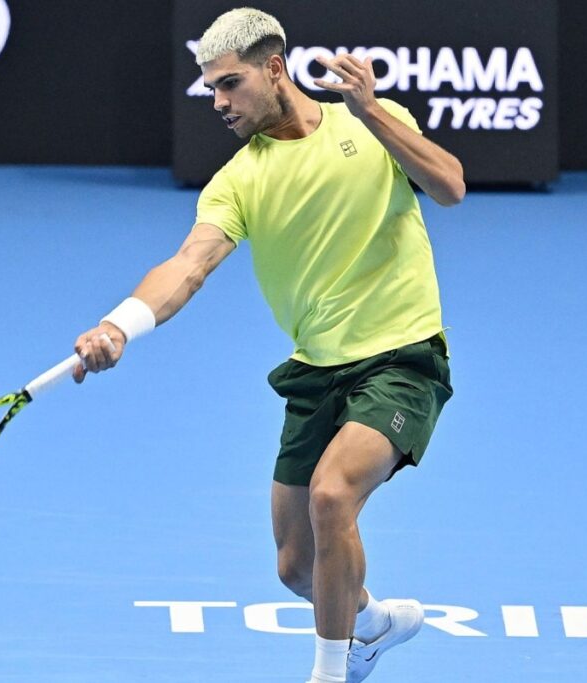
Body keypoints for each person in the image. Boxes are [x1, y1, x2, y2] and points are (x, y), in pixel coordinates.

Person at [72, 8, 464, 682]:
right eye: (211, 90)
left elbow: (450, 185)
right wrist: (118, 325)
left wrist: (372, 114)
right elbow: (187, 265)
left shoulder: (372, 121)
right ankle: (369, 625)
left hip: (404, 355)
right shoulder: (239, 179)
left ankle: (329, 673)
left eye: (229, 84)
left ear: (274, 68)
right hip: (317, 369)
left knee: (332, 496)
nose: (218, 103)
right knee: (296, 566)